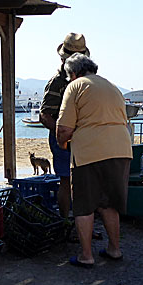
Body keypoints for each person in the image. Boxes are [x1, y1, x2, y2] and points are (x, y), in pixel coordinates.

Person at [56, 54, 133, 268]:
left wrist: (62, 144)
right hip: (121, 149)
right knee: (109, 204)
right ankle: (114, 249)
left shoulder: (76, 86)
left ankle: (86, 255)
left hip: (90, 152)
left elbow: (64, 128)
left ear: (72, 73)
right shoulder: (112, 86)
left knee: (84, 205)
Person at [40, 33, 90, 218]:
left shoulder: (85, 81)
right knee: (66, 181)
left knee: (83, 182)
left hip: (83, 138)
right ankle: (66, 222)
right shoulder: (58, 82)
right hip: (64, 138)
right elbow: (44, 115)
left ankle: (81, 223)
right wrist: (64, 133)